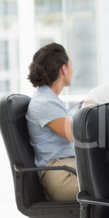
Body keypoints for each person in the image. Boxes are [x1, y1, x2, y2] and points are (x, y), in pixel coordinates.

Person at [26, 43, 78, 201]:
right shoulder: (44, 103)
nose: (72, 70)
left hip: (67, 168)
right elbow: (78, 137)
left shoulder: (49, 99)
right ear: (64, 69)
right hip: (60, 175)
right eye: (71, 65)